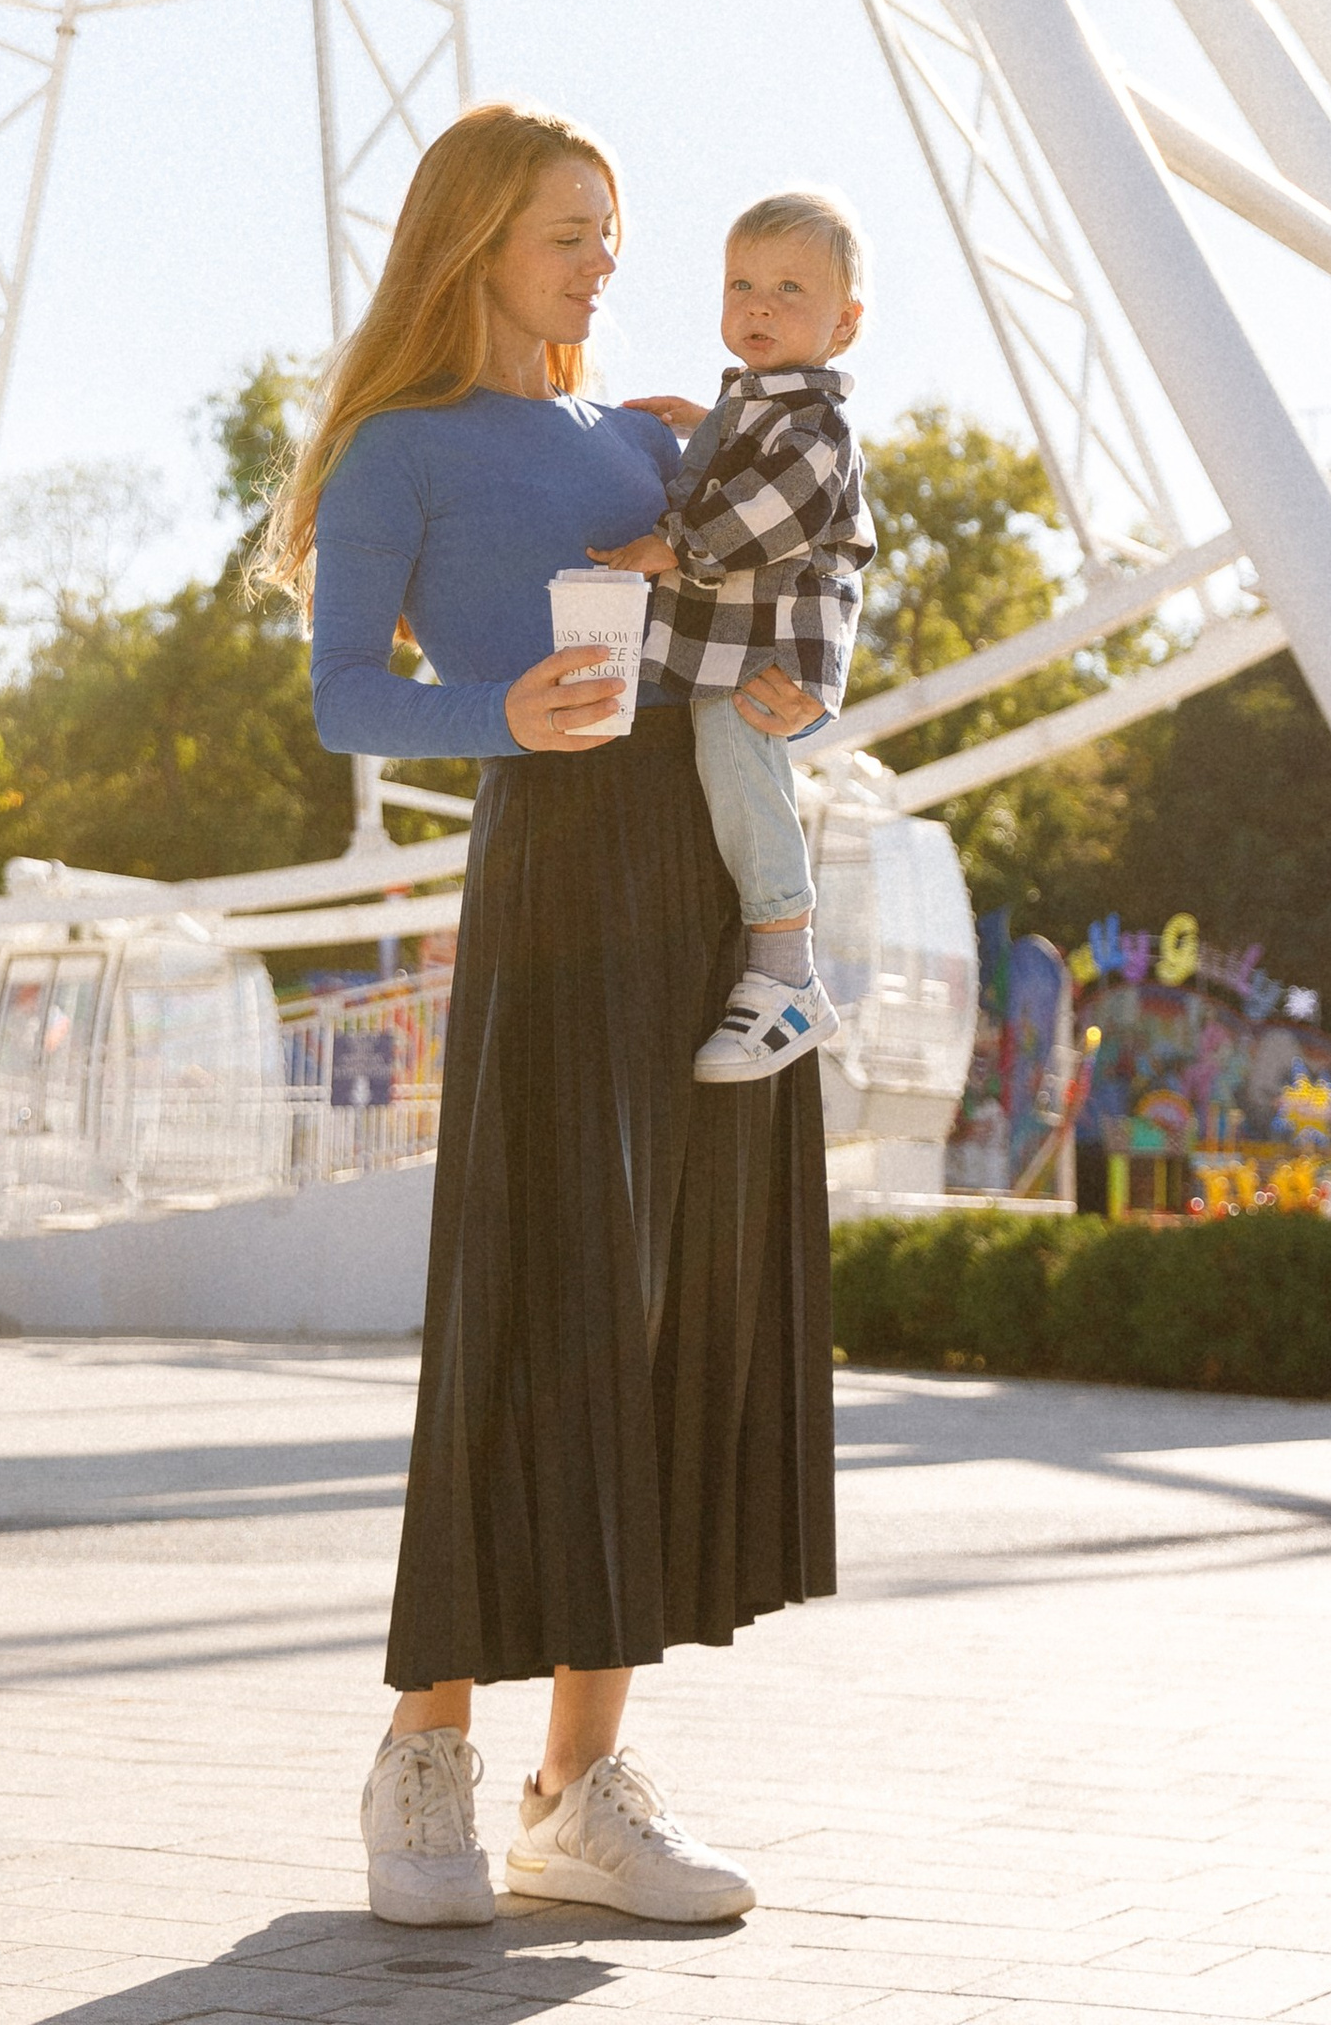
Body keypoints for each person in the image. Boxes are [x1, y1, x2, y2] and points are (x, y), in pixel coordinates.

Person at [263, 102, 835, 1934]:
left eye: (610, 229)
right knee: (534, 1293)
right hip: (556, 882)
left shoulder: (650, 438)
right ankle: (423, 1744)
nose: (606, 264)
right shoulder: (397, 452)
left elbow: (783, 582)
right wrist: (504, 718)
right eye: (569, 234)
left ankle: (584, 1788)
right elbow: (355, 697)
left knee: (671, 1308)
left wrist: (796, 681)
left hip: (712, 887)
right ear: (474, 248)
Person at [590, 190, 873, 1085]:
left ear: (846, 323)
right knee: (709, 759)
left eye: (790, 288)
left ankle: (788, 974)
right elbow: (734, 461)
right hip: (726, 636)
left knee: (741, 767)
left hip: (772, 644)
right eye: (741, 283)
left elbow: (768, 512)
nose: (757, 304)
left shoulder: (818, 426)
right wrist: (694, 426)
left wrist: (671, 547)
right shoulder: (753, 404)